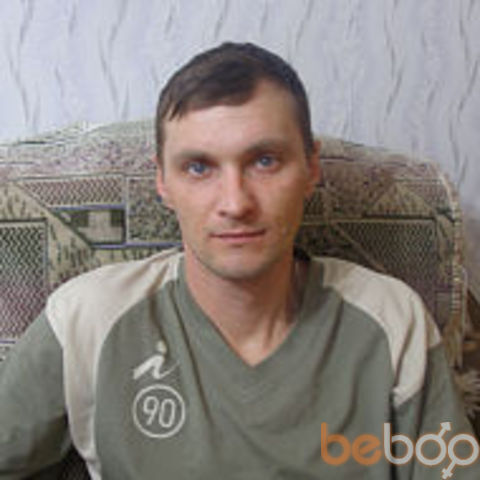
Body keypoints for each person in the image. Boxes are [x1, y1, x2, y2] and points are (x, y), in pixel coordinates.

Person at [0, 42, 478, 479]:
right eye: (198, 167)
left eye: (265, 161)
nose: (235, 203)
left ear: (311, 167)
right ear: (162, 181)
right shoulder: (85, 321)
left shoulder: (393, 322)